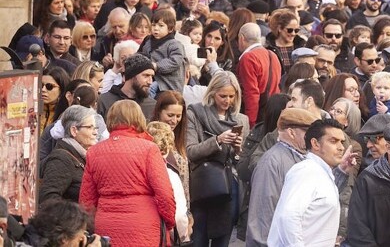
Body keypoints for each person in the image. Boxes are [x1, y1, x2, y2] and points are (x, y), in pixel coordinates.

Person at [79, 100, 176, 247]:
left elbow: (87, 199)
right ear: (138, 118)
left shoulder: (94, 151)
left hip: (106, 223)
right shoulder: (149, 149)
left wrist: (89, 229)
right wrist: (169, 221)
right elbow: (164, 193)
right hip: (143, 223)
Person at [267, 118, 360, 246]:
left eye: (342, 142)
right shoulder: (306, 171)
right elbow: (288, 218)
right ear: (315, 144)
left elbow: (320, 203)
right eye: (333, 141)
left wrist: (341, 172)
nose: (340, 148)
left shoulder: (319, 172)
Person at [185, 71, 250, 247]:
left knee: (223, 239)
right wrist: (217, 141)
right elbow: (190, 151)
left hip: (228, 187)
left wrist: (237, 149)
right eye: (222, 95)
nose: (227, 100)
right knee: (198, 239)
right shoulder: (196, 113)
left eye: (231, 96)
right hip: (202, 184)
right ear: (212, 92)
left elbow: (242, 161)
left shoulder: (241, 120)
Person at [245, 108, 318, 246]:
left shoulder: (302, 157)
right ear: (291, 132)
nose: (312, 139)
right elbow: (262, 219)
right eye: (307, 133)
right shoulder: (271, 162)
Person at [39, 105, 99, 203]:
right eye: (90, 127)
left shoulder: (81, 155)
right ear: (74, 130)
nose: (95, 132)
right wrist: (74, 214)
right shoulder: (61, 160)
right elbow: (48, 198)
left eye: (95, 128)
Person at [237, 23, 282, 126]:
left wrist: (249, 124)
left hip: (257, 118)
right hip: (272, 115)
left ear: (241, 38)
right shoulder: (273, 55)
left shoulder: (249, 58)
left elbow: (251, 94)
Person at [97, 53, 157, 120]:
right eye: (146, 76)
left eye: (152, 76)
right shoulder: (105, 100)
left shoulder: (152, 105)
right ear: (132, 76)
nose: (150, 82)